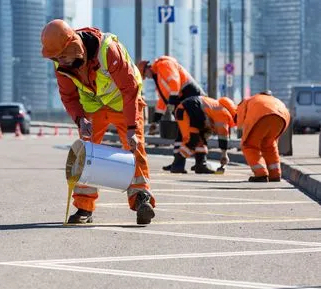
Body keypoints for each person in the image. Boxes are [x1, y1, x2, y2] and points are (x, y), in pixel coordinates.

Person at [41, 19, 155, 224]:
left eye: (63, 56)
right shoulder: (62, 64)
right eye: (56, 58)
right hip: (93, 108)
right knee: (85, 154)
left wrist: (131, 128)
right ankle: (84, 207)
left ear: (74, 45)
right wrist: (80, 119)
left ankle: (141, 199)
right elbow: (69, 97)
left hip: (124, 101)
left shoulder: (108, 50)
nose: (61, 62)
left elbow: (129, 90)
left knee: (134, 146)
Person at [136, 56, 211, 174]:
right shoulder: (158, 78)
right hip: (185, 101)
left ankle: (195, 163)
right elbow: (162, 101)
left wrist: (172, 103)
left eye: (145, 75)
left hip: (192, 98)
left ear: (147, 68)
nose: (147, 78)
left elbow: (175, 83)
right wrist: (156, 120)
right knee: (184, 132)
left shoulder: (164, 65)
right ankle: (181, 163)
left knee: (195, 130)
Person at [171, 96, 237, 173]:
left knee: (200, 140)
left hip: (189, 111)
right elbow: (223, 134)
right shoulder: (224, 113)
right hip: (189, 111)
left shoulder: (216, 106)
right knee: (192, 140)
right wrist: (224, 154)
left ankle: (200, 165)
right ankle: (177, 165)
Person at [236, 90, 290, 182]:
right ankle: (275, 174)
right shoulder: (273, 100)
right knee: (269, 145)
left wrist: (243, 136)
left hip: (262, 116)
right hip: (282, 118)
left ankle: (260, 174)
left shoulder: (248, 101)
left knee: (249, 146)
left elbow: (240, 121)